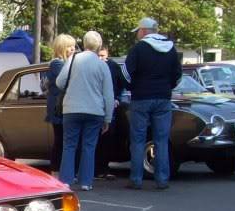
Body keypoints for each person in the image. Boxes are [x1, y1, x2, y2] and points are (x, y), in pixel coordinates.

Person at [123, 17, 183, 189]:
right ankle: (162, 179)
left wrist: (132, 86)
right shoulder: (171, 49)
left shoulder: (138, 48)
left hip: (141, 97)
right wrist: (167, 86)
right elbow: (178, 75)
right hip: (163, 97)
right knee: (161, 140)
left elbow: (126, 72)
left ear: (143, 31)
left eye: (138, 31)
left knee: (138, 139)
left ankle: (136, 179)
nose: (137, 35)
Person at [56, 31, 115, 191]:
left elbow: (60, 82)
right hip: (95, 111)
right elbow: (108, 94)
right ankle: (86, 182)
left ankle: (66, 179)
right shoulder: (102, 65)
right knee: (89, 146)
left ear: (84, 43)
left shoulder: (73, 59)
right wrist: (108, 118)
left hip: (72, 108)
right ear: (99, 46)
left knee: (69, 145)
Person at [44, 33, 76, 178]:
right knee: (60, 140)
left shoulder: (61, 63)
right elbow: (65, 81)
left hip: (61, 106)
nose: (73, 50)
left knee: (64, 140)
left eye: (74, 47)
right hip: (58, 108)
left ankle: (61, 170)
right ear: (62, 48)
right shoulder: (57, 64)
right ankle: (56, 170)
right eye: (70, 47)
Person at [95, 45, 126, 179]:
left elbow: (120, 84)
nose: (101, 58)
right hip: (97, 105)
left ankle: (103, 167)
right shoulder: (94, 65)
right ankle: (97, 168)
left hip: (109, 104)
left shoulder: (113, 66)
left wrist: (117, 98)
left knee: (107, 138)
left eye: (103, 56)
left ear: (107, 54)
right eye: (99, 56)